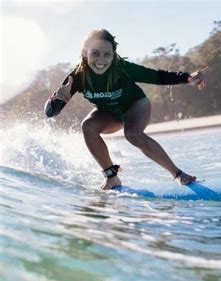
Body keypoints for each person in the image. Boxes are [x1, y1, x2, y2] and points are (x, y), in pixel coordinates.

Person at [44, 29, 206, 189]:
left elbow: (157, 76)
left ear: (113, 54)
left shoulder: (122, 68)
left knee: (132, 134)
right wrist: (57, 101)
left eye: (107, 54)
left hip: (135, 106)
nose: (101, 60)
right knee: (88, 127)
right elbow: (50, 113)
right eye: (95, 54)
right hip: (109, 113)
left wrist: (187, 77)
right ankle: (112, 178)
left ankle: (178, 174)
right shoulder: (77, 76)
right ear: (85, 53)